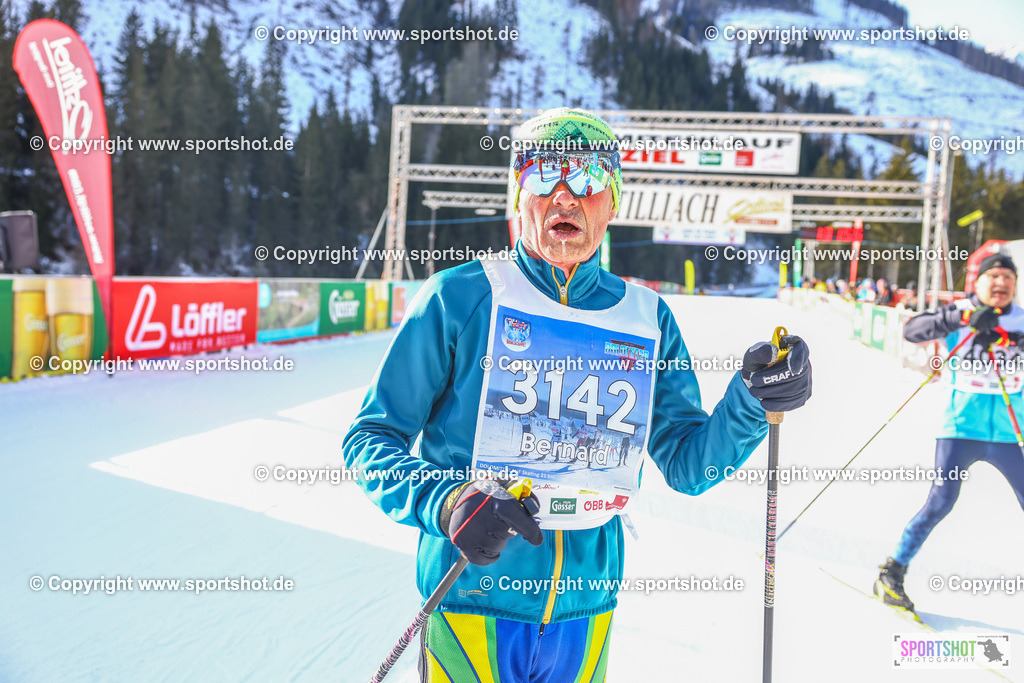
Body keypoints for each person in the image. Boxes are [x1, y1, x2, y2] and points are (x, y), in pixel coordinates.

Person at [343, 108, 812, 682]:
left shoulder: (646, 317)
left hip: (585, 611)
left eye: (588, 179)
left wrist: (752, 400)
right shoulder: (461, 297)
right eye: (543, 176)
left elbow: (691, 464)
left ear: (613, 203)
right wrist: (446, 502)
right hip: (471, 598)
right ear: (520, 197)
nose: (564, 196)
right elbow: (369, 437)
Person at [875, 253, 1024, 613]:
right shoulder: (959, 310)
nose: (1001, 283)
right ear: (979, 281)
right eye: (994, 276)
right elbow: (912, 331)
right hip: (960, 429)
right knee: (940, 502)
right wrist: (965, 318)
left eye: (1008, 277)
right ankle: (892, 573)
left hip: (1008, 434)